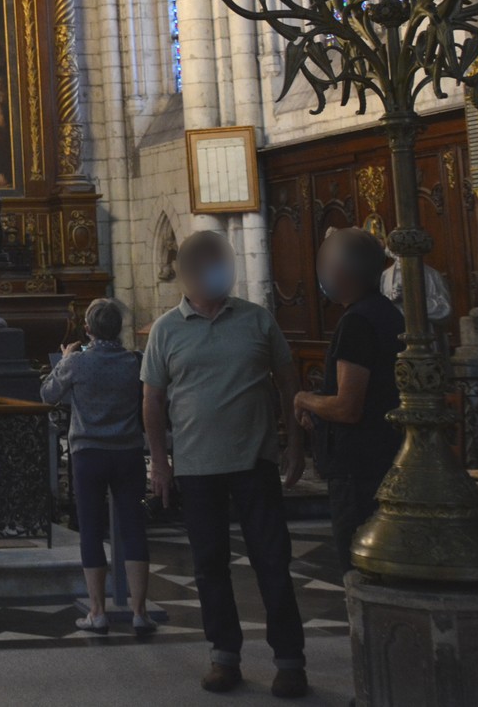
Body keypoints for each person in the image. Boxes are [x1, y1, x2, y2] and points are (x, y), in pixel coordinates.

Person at [143, 230, 307, 698]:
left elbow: (287, 382)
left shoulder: (257, 320)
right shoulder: (166, 330)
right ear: (187, 273)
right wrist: (160, 463)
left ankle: (290, 660)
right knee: (209, 565)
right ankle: (224, 656)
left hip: (255, 460)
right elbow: (152, 400)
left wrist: (295, 445)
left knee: (272, 561)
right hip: (195, 466)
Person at [40, 297, 151, 634]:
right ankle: (140, 613)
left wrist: (66, 359)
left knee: (90, 529)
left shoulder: (78, 364)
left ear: (87, 329)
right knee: (134, 528)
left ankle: (98, 612)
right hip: (128, 451)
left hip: (88, 453)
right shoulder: (135, 361)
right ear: (119, 329)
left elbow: (47, 394)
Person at [293, 227, 404, 558]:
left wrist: (304, 399)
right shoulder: (388, 313)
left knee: (358, 559)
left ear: (340, 271)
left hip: (359, 467)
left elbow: (347, 407)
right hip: (385, 452)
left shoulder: (357, 322)